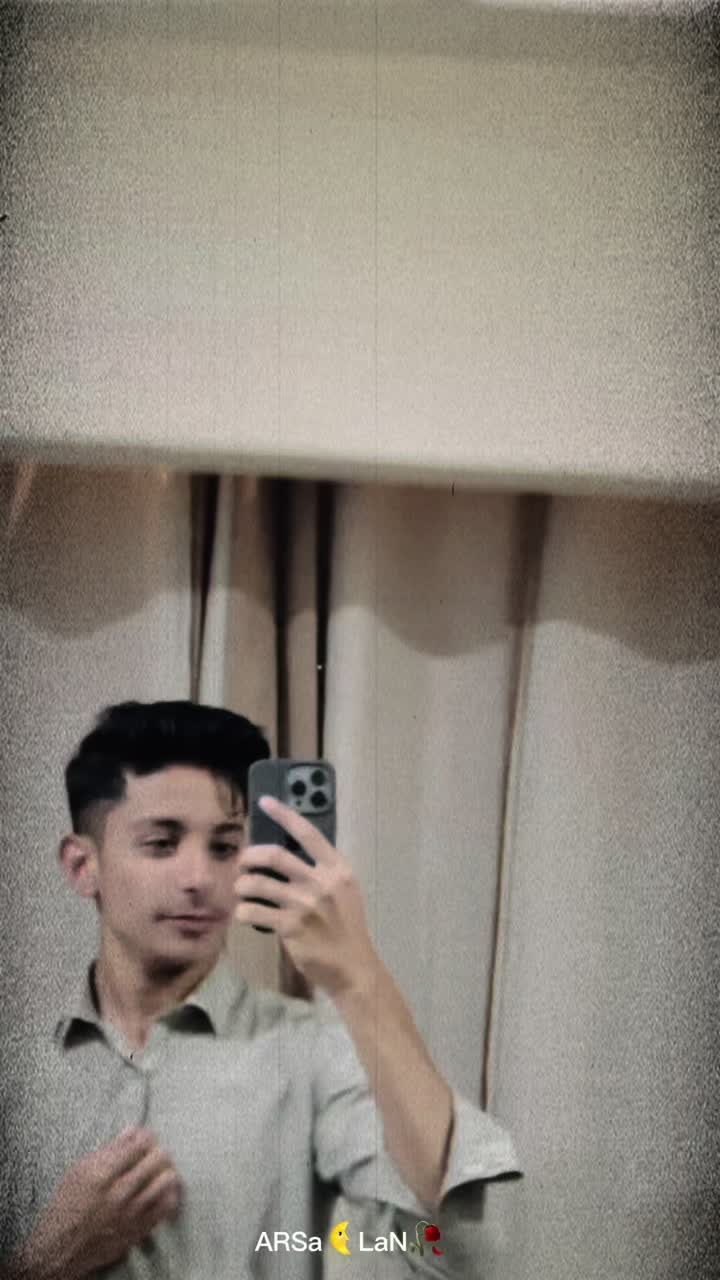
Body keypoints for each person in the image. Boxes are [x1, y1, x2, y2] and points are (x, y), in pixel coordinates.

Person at [0, 701, 523, 1279]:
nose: (200, 878)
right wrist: (46, 1260)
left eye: (225, 847)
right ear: (82, 866)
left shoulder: (315, 1056)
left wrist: (359, 975)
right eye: (162, 843)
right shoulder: (18, 1078)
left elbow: (459, 1254)